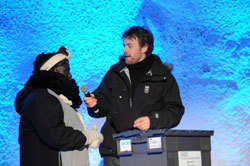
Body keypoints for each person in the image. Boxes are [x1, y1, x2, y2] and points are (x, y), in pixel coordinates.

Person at [84, 26, 185, 166]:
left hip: (147, 152)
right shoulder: (115, 73)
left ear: (144, 48)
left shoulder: (163, 77)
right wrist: (94, 104)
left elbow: (175, 111)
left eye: (129, 46)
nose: (124, 50)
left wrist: (152, 120)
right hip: (114, 151)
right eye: (124, 45)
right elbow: (102, 106)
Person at [15, 46, 103, 166]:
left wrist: (88, 139)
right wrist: (86, 137)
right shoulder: (41, 98)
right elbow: (56, 135)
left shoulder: (57, 100)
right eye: (66, 71)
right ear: (53, 70)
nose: (70, 75)